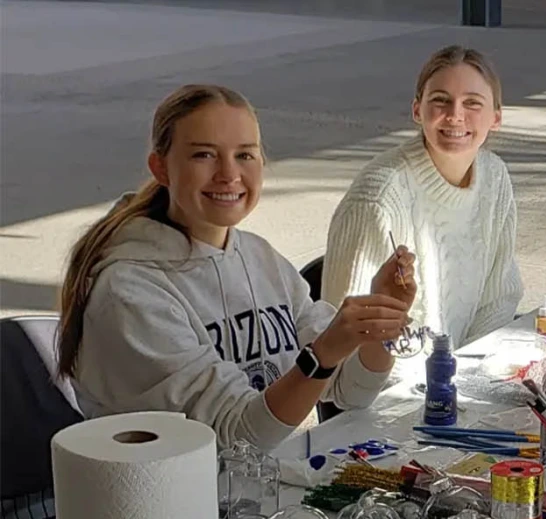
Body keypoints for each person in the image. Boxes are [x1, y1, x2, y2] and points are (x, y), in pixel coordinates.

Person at [59, 84, 417, 453]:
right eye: (204, 155)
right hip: (176, 501)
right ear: (161, 168)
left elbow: (352, 392)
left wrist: (380, 325)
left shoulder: (259, 257)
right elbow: (238, 437)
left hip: (260, 489)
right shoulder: (128, 293)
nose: (229, 174)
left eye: (245, 155)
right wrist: (322, 357)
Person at [322, 45, 523, 348]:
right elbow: (345, 337)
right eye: (441, 100)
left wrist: (467, 370)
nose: (455, 116)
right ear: (417, 110)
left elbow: (500, 297)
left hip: (463, 377)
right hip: (392, 387)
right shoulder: (378, 199)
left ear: (496, 117)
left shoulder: (495, 177)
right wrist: (439, 377)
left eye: (472, 103)